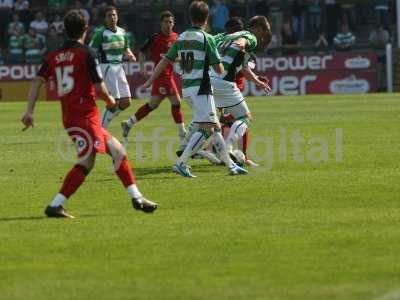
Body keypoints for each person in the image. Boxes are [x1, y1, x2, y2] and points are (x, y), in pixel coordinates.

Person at [21, 10, 157, 218]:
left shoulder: (53, 56)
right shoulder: (86, 54)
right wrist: (112, 102)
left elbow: (37, 81)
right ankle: (56, 204)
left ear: (65, 31)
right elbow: (100, 88)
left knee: (118, 151)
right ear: (85, 30)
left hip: (75, 116)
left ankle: (137, 197)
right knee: (87, 160)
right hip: (84, 117)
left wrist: (29, 111)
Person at [141, 0, 247, 177]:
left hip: (188, 89)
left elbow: (165, 60)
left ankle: (230, 165)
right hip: (202, 88)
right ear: (207, 19)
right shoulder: (207, 38)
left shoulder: (181, 37)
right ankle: (181, 162)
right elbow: (219, 69)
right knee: (207, 129)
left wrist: (150, 80)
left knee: (214, 128)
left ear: (190, 17)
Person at [210, 16, 272, 165]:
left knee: (210, 121)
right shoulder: (249, 37)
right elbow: (240, 44)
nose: (264, 36)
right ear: (257, 27)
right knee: (244, 118)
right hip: (224, 82)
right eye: (264, 31)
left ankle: (188, 153)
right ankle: (229, 148)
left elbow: (244, 67)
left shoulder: (229, 36)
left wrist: (257, 81)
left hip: (209, 80)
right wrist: (237, 48)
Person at [121, 11, 186, 144]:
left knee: (153, 104)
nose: (168, 25)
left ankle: (129, 122)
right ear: (161, 24)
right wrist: (141, 67)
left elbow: (178, 55)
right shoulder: (155, 38)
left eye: (170, 22)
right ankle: (182, 133)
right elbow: (142, 52)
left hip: (169, 75)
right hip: (162, 75)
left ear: (173, 23)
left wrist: (179, 61)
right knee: (176, 102)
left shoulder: (176, 37)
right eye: (166, 22)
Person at [89, 6, 136, 129]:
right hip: (107, 67)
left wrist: (130, 54)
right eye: (109, 15)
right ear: (105, 18)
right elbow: (90, 50)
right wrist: (94, 66)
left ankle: (101, 124)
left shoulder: (122, 32)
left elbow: (126, 47)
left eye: (114, 15)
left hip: (119, 67)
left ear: (117, 17)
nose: (112, 17)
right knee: (114, 102)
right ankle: (100, 130)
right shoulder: (101, 33)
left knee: (126, 102)